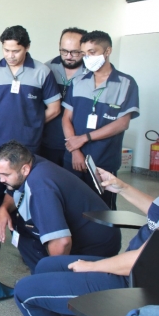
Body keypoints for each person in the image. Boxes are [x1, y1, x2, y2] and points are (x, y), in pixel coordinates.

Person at [14, 169, 159, 316]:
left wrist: (91, 266)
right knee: (45, 266)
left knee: (23, 292)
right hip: (136, 271)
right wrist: (123, 188)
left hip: (136, 283)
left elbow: (146, 261)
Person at [0, 26, 61, 255]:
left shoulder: (42, 72)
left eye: (16, 50)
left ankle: (25, 239)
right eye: (6, 50)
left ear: (27, 47)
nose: (10, 55)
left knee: (25, 195)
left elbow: (54, 107)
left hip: (28, 146)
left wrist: (33, 124)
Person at [0, 141, 121, 273]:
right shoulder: (32, 162)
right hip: (95, 231)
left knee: (47, 272)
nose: (1, 179)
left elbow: (62, 242)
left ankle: (47, 280)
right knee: (20, 230)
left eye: (6, 175)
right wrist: (3, 209)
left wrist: (53, 277)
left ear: (25, 169)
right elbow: (13, 189)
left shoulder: (40, 187)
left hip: (95, 247)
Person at [62, 30, 139, 210]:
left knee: (103, 211)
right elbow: (66, 118)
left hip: (103, 160)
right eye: (84, 53)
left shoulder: (125, 83)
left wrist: (84, 138)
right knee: (71, 207)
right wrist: (75, 151)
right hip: (73, 157)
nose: (87, 58)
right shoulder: (78, 81)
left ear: (107, 51)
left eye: (92, 52)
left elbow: (122, 123)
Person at [39, 28, 87, 166]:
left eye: (75, 52)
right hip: (47, 141)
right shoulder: (46, 69)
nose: (69, 56)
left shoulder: (92, 74)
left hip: (79, 144)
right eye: (64, 51)